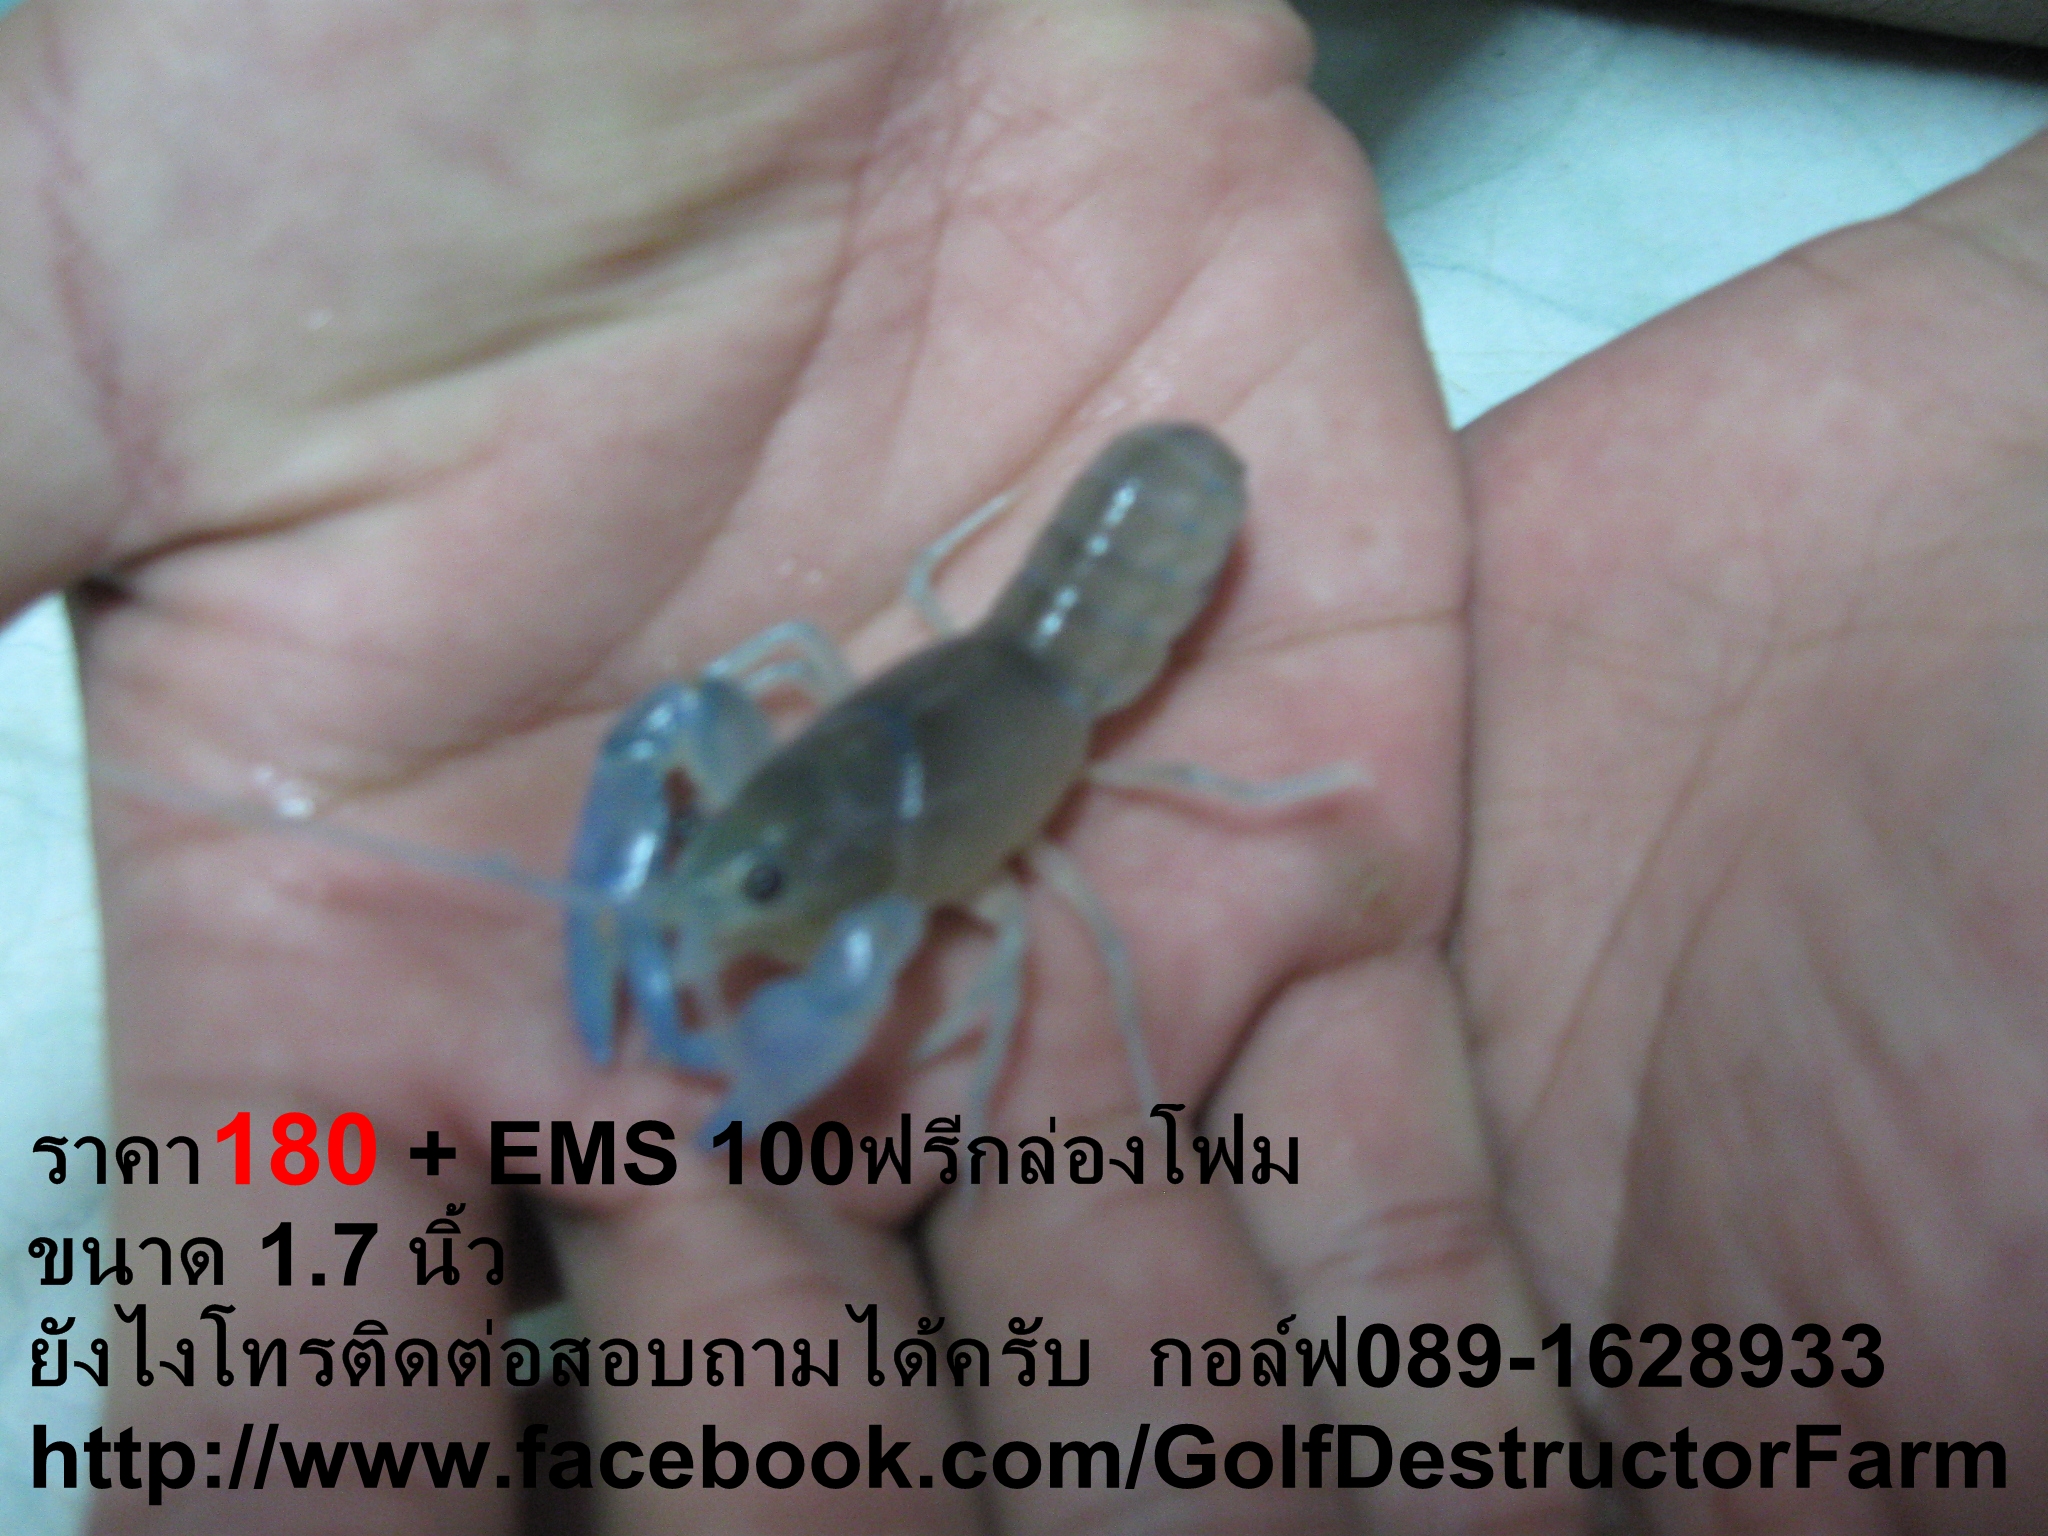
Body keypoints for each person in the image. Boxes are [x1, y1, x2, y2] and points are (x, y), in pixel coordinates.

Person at [3, 1, 2039, 1530]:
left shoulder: (919, 880)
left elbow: (887, 917)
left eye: (754, 890)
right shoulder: (805, 781)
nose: (741, 889)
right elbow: (705, 735)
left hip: (1114, 575)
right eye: (748, 871)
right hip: (1021, 630)